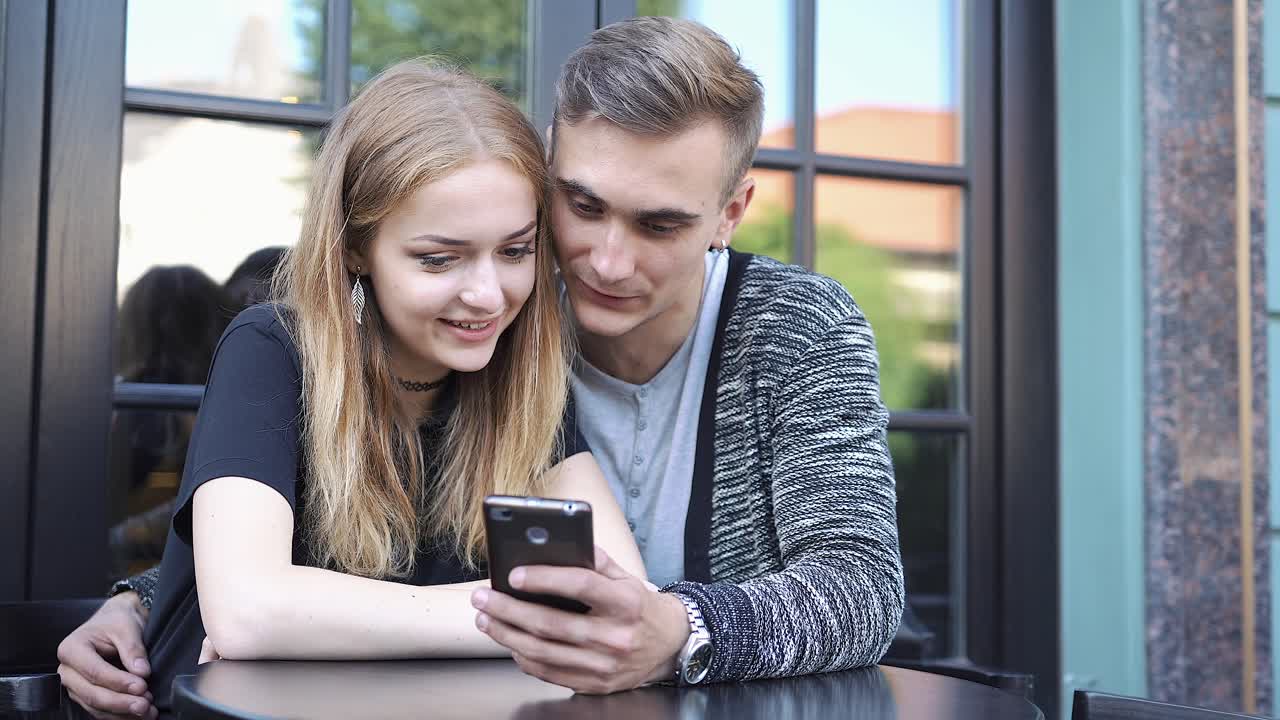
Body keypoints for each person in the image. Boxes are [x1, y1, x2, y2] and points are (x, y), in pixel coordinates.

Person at [59, 16, 903, 714]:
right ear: (545, 171)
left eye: (659, 225)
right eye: (582, 206)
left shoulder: (775, 330)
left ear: (731, 212)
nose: (606, 261)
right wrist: (163, 592)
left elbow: (860, 585)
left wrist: (676, 628)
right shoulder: (511, 326)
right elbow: (316, 537)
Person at [61, 59, 645, 719]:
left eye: (515, 251)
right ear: (355, 249)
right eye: (438, 258)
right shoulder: (274, 350)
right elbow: (250, 614)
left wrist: (317, 616)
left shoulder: (522, 374)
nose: (488, 295)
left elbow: (617, 599)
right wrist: (521, 619)